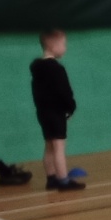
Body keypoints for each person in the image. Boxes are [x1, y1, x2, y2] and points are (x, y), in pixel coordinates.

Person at [31, 29, 84, 190]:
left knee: (49, 146)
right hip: (56, 112)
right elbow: (64, 91)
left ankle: (51, 178)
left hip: (43, 113)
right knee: (59, 147)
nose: (65, 48)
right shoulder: (56, 69)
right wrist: (70, 107)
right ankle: (63, 180)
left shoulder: (37, 69)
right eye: (63, 44)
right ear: (53, 46)